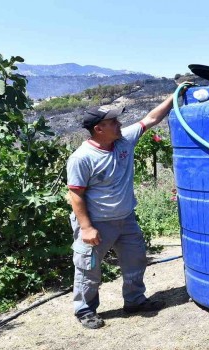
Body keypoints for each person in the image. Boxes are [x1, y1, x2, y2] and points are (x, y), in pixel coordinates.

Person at [66, 90, 185, 329]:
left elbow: (151, 118)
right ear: (99, 129)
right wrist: (87, 228)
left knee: (135, 261)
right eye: (113, 122)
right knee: (88, 268)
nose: (120, 124)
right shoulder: (82, 158)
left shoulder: (124, 140)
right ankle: (85, 310)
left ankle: (134, 301)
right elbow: (75, 195)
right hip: (97, 223)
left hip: (126, 219)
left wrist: (176, 94)